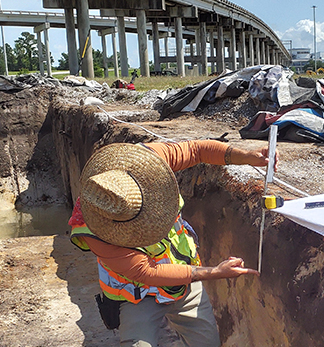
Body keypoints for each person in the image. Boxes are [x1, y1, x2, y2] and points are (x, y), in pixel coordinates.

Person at [69, 140, 273, 346]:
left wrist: (246, 157)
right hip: (135, 294)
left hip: (183, 285)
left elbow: (197, 150)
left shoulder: (146, 161)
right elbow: (146, 273)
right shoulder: (90, 228)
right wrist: (214, 273)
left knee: (206, 343)